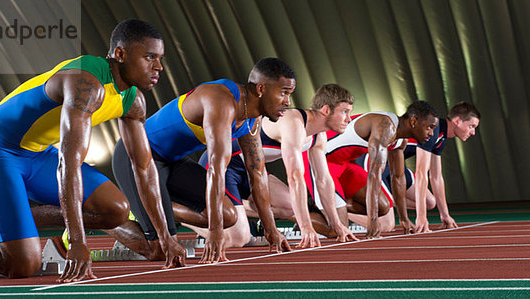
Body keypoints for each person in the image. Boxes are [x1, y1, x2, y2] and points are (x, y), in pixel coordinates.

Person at [0, 19, 185, 282]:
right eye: (149, 57)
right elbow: (69, 162)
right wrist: (77, 242)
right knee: (21, 265)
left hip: (37, 155)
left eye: (160, 58)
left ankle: (14, 217)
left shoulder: (133, 102)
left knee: (116, 210)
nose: (158, 67)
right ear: (120, 54)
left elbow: (144, 169)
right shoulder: (86, 83)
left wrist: (166, 238)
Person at [112, 58, 293, 263]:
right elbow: (216, 169)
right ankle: (105, 219)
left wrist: (271, 231)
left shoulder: (252, 119)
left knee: (228, 216)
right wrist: (215, 234)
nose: (287, 102)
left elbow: (257, 174)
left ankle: (149, 206)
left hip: (172, 162)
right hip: (135, 156)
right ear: (261, 88)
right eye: (284, 92)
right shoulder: (221, 101)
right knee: (160, 251)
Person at [198, 83, 359, 248]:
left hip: (253, 170)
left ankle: (230, 210)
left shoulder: (319, 136)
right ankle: (197, 216)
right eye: (344, 112)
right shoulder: (294, 122)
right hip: (225, 165)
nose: (348, 119)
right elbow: (295, 177)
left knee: (290, 206)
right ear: (326, 110)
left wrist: (337, 224)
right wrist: (306, 228)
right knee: (239, 239)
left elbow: (323, 180)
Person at [305, 101, 440, 238]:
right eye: (429, 127)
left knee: (384, 207)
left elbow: (398, 178)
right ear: (413, 122)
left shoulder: (401, 139)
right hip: (318, 161)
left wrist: (404, 219)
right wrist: (372, 221)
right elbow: (374, 176)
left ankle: (321, 205)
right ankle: (293, 208)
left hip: (343, 164)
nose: (431, 133)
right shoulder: (385, 127)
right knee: (339, 230)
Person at [355, 102, 480, 233]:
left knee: (430, 202)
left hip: (393, 165)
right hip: (372, 162)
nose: (473, 132)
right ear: (457, 121)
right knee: (386, 225)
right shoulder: (433, 129)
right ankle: (342, 210)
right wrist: (421, 217)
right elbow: (421, 173)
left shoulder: (440, 137)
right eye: (471, 126)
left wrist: (445, 215)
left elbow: (436, 177)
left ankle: (384, 202)